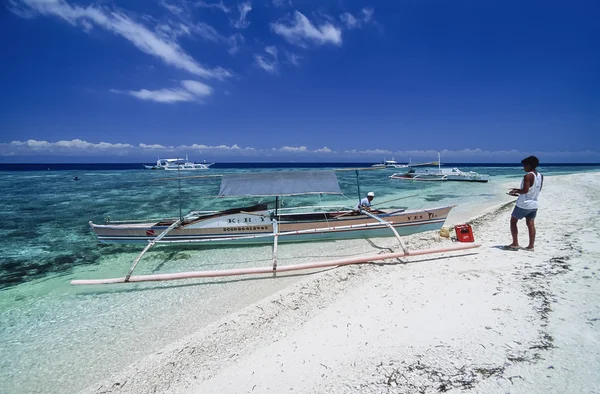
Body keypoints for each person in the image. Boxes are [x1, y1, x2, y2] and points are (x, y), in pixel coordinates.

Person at [506, 156, 543, 251]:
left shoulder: (528, 176)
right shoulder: (540, 176)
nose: (523, 168)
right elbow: (535, 189)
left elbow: (525, 191)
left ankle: (515, 243)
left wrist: (516, 191)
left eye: (524, 165)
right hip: (534, 203)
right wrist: (518, 190)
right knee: (531, 224)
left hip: (524, 204)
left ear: (529, 165)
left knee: (513, 222)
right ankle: (531, 246)